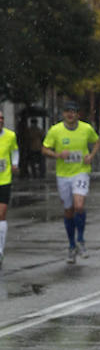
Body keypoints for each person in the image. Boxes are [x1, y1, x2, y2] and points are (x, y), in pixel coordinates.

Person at [42, 100, 100, 263]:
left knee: (79, 205)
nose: (70, 114)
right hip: (63, 175)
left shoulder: (86, 128)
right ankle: (71, 245)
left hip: (81, 172)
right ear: (63, 114)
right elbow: (44, 148)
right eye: (67, 111)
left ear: (77, 114)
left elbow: (97, 141)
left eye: (73, 111)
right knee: (68, 211)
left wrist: (91, 155)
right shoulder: (56, 131)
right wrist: (57, 155)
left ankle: (81, 240)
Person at [0, 112, 19, 267]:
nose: (0, 121)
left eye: (1, 118)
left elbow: (15, 151)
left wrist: (15, 164)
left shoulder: (10, 136)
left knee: (2, 214)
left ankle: (0, 250)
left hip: (4, 180)